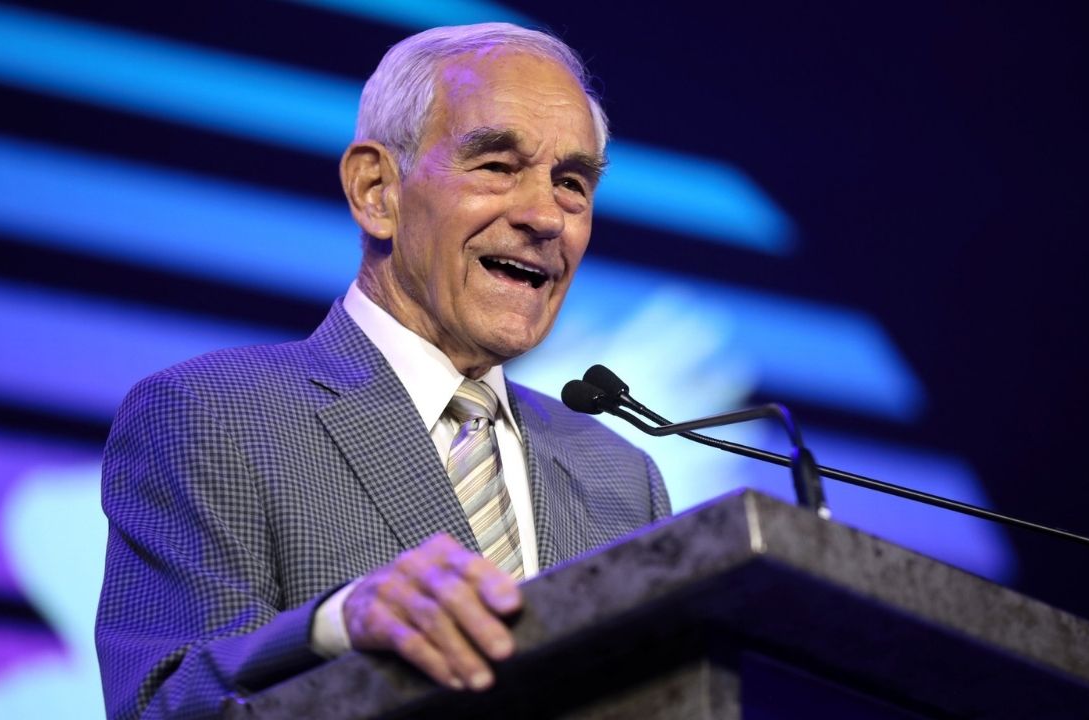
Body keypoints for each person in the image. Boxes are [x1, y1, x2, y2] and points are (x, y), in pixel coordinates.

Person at [96, 22, 670, 720]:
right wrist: (337, 624)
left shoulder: (621, 477)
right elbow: (162, 708)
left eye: (572, 184)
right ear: (377, 190)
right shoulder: (211, 415)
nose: (545, 216)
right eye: (496, 166)